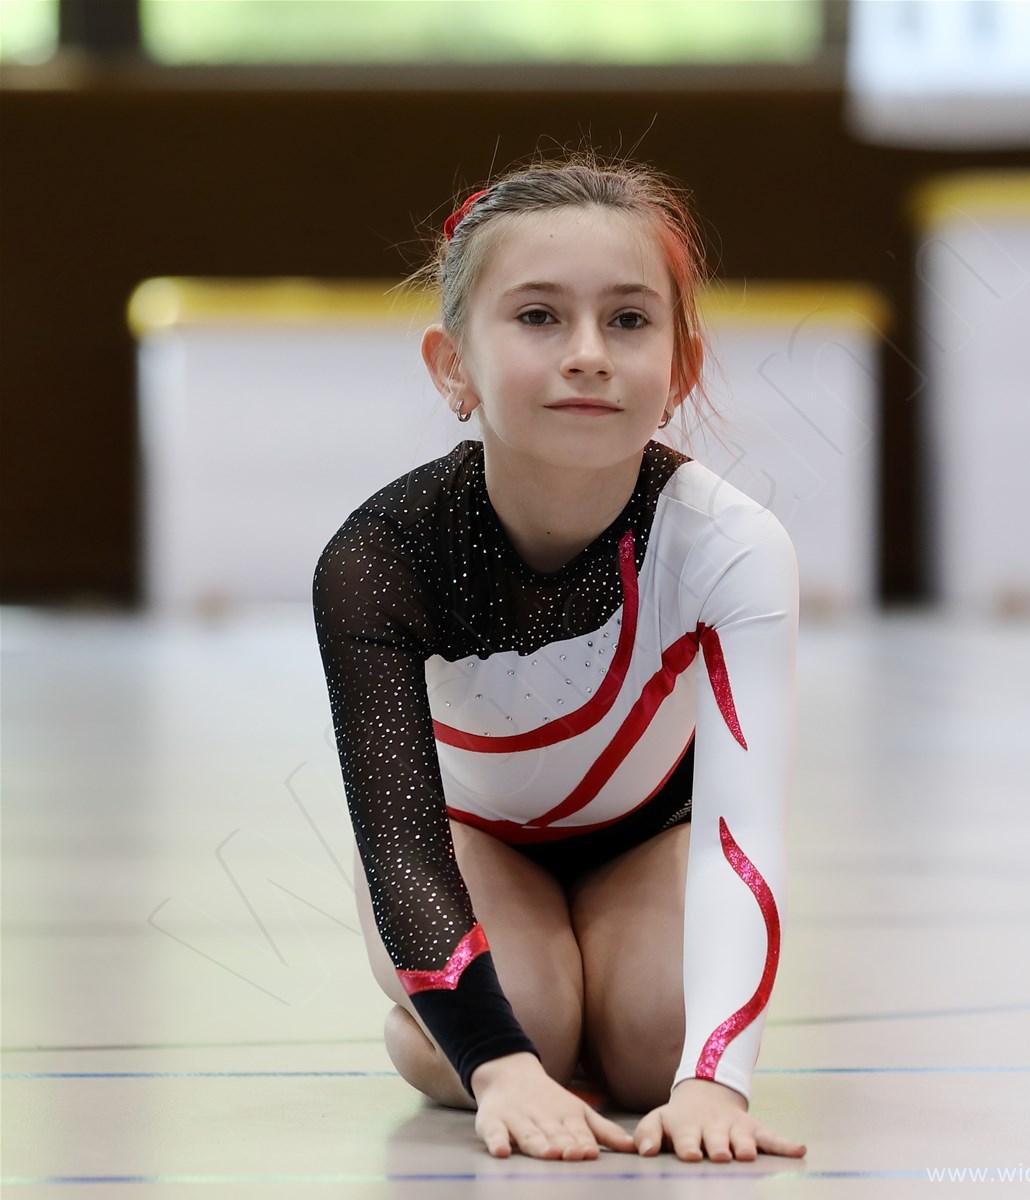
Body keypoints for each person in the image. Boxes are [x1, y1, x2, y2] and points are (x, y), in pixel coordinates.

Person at [312, 150, 807, 1165]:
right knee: (525, 1025)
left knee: (655, 1051)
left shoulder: (731, 546)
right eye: (539, 316)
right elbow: (398, 840)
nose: (588, 354)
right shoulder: (381, 558)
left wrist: (713, 1079)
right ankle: (446, 1030)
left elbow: (742, 825)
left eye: (628, 320)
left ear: (681, 366)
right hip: (471, 840)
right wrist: (497, 1065)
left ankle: (592, 1005)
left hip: (648, 838)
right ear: (452, 364)